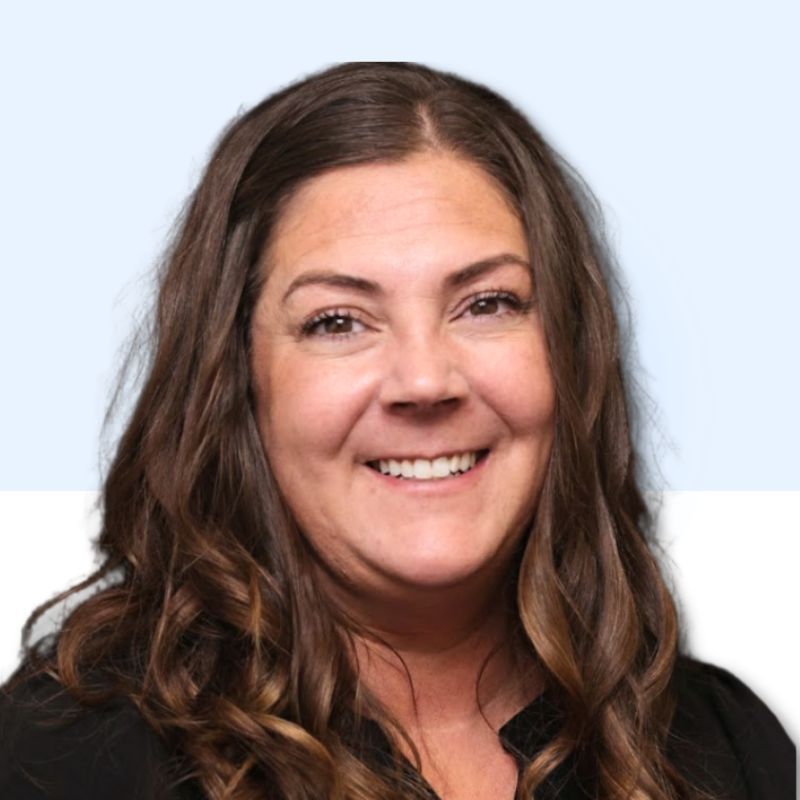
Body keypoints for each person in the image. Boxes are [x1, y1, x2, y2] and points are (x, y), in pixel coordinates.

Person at [0, 62, 794, 800]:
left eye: (487, 304)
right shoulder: (64, 757)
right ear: (236, 379)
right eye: (338, 321)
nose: (424, 381)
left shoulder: (724, 747)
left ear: (571, 355)